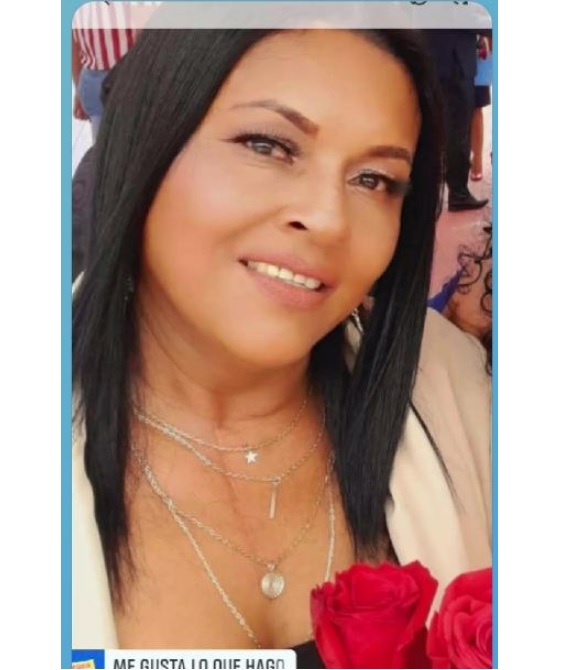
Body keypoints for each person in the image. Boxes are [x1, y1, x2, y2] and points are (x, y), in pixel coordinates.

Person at [72, 29, 491, 666]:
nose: (327, 219)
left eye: (375, 179)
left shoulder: (455, 387)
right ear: (147, 137)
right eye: (267, 145)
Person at [423, 29, 490, 212]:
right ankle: (458, 193)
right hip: (454, 61)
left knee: (438, 126)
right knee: (458, 129)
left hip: (435, 57)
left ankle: (434, 192)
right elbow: (465, 16)